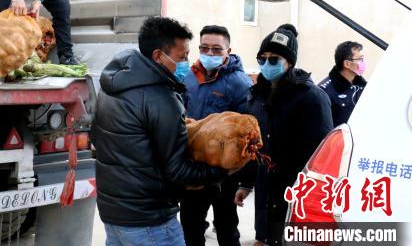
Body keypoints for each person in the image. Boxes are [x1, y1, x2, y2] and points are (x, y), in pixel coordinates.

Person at [92, 17, 228, 246]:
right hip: (150, 221)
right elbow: (178, 171)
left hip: (113, 216)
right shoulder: (161, 99)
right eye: (182, 57)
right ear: (158, 56)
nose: (187, 62)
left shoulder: (111, 86)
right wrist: (222, 170)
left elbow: (97, 139)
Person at [234, 24, 333, 246]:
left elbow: (322, 154)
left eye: (274, 59)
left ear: (290, 62)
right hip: (264, 187)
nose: (267, 64)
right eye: (262, 59)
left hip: (296, 190)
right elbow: (254, 145)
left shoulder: (312, 97)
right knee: (264, 238)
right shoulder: (256, 96)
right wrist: (246, 183)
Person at [181, 25, 253, 246]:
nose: (209, 54)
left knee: (226, 226)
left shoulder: (240, 84)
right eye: (204, 48)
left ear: (228, 51)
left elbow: (249, 135)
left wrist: (246, 181)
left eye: (216, 49)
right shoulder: (189, 78)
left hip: (225, 173)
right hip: (193, 169)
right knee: (190, 226)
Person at [319, 41, 367, 126]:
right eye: (360, 59)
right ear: (347, 64)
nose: (363, 63)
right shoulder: (324, 91)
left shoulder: (363, 85)